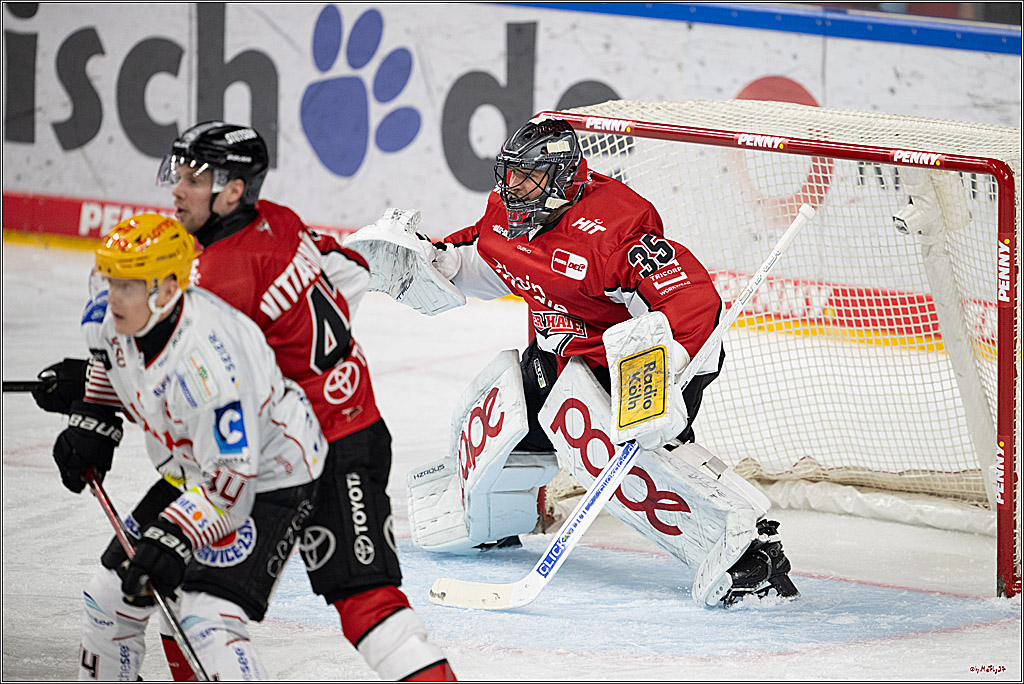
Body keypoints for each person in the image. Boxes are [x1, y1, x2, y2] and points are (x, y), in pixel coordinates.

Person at [33, 123, 455, 681]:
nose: (177, 190)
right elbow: (342, 270)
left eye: (193, 178)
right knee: (188, 591)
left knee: (356, 605)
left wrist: (96, 390)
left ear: (233, 191)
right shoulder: (277, 218)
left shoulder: (216, 284)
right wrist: (96, 383)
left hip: (307, 443)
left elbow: (186, 385)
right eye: (177, 175)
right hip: (336, 417)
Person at [345, 116, 799, 607]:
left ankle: (749, 557)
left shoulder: (615, 230)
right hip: (558, 353)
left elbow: (692, 304)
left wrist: (659, 374)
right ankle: (493, 521)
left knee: (608, 447)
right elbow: (490, 257)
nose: (512, 187)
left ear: (562, 177)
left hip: (640, 360)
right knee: (508, 417)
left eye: (527, 177)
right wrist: (433, 262)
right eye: (509, 174)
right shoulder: (507, 207)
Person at [52, 213, 328, 680]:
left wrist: (173, 537)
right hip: (197, 472)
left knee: (205, 615)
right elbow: (111, 360)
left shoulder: (210, 367)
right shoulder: (112, 315)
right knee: (110, 597)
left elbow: (230, 486)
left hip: (272, 475)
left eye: (127, 285)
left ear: (164, 290)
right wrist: (93, 416)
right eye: (110, 278)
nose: (110, 295)